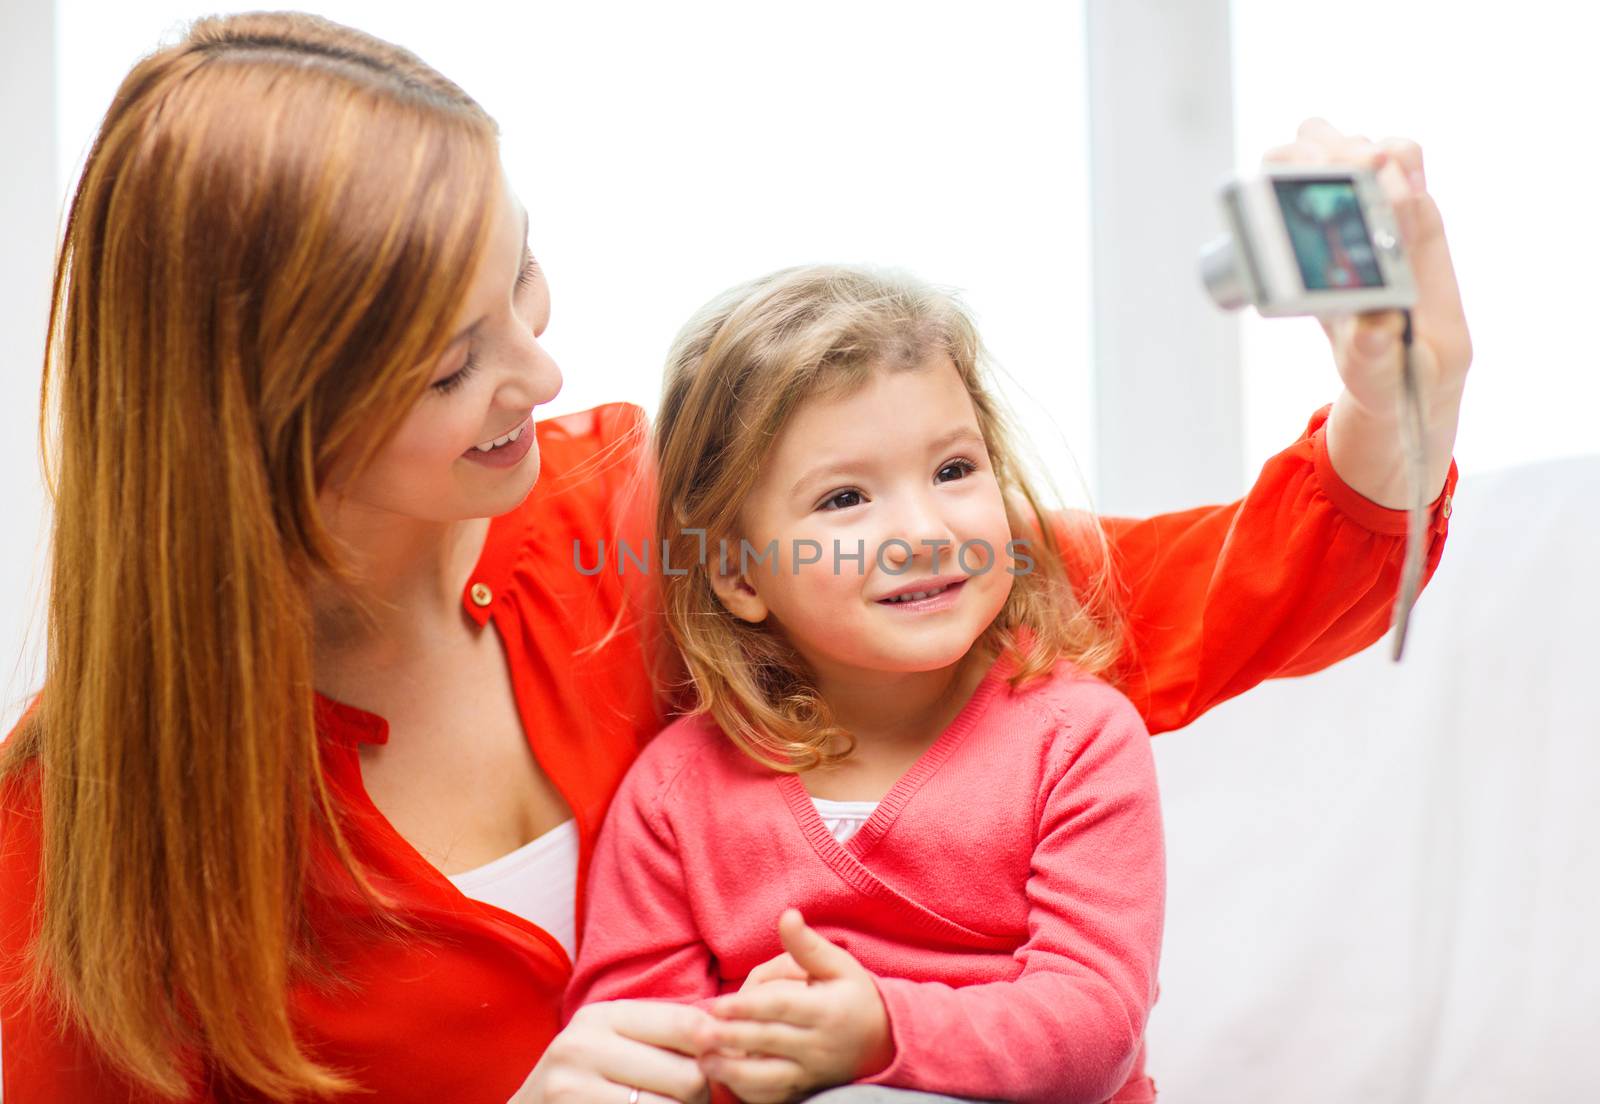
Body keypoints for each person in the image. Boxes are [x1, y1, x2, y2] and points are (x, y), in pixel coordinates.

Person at [0, 11, 1468, 1104]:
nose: (543, 361)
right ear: (263, 415)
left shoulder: (641, 521)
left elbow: (1156, 605)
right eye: (455, 362)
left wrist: (1393, 407)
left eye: (521, 268)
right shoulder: (87, 835)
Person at [564, 265, 1167, 1104]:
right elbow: (630, 1056)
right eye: (846, 497)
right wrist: (742, 1055)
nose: (922, 531)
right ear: (739, 573)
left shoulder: (1078, 742)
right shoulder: (673, 793)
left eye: (954, 471)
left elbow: (1095, 1031)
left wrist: (881, 1032)